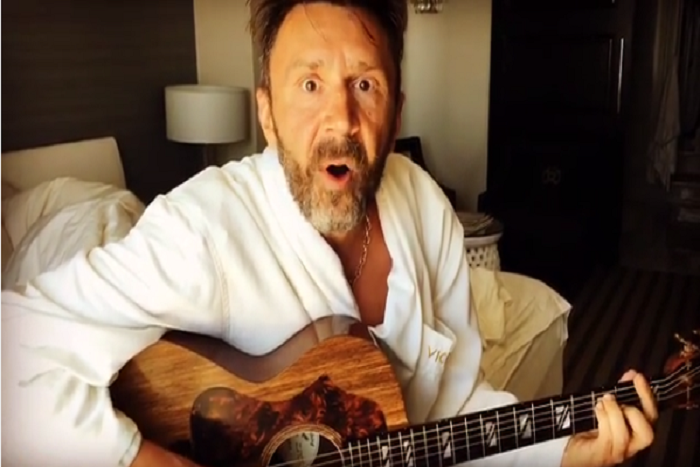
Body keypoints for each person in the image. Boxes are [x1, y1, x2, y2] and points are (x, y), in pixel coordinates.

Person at [1, 1, 658, 466]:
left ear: (395, 113)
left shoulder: (426, 208)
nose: (340, 118)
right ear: (267, 113)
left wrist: (563, 453)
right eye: (310, 83)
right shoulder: (204, 229)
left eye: (364, 84)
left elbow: (452, 410)